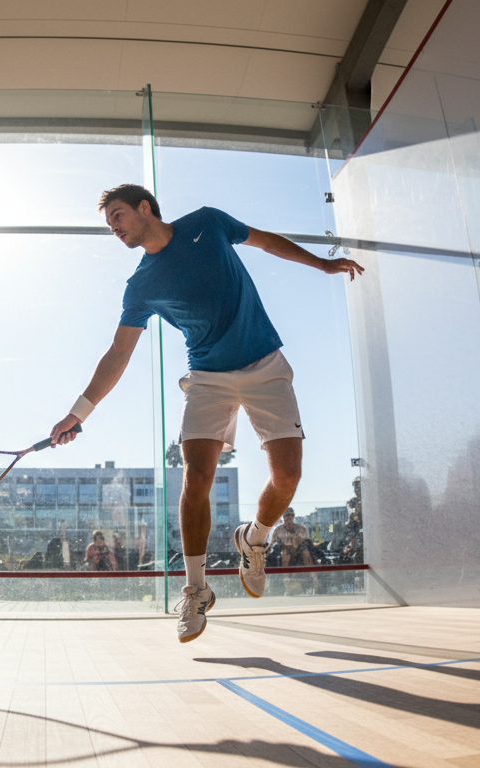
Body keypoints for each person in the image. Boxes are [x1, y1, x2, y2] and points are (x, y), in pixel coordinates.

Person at [49, 184, 363, 642]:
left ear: (144, 208)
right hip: (207, 379)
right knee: (196, 479)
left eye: (117, 215)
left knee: (288, 478)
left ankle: (254, 538)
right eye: (109, 223)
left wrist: (322, 264)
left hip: (266, 366)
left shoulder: (207, 224)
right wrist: (78, 413)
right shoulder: (140, 286)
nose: (113, 228)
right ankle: (196, 589)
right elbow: (119, 352)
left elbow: (266, 241)